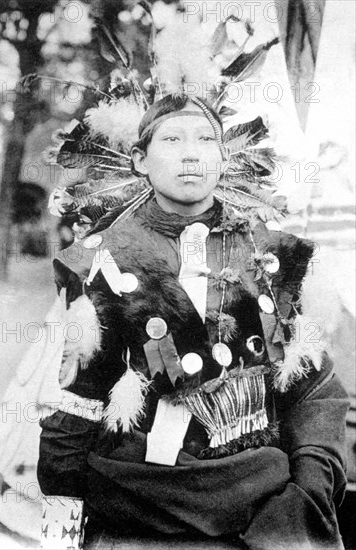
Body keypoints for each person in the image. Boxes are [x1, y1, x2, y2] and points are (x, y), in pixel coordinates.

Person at [37, 93, 349, 550]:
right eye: (172, 139)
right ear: (140, 160)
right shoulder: (102, 263)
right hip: (143, 509)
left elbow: (314, 389)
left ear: (223, 158)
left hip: (266, 506)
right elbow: (76, 409)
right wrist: (59, 531)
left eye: (206, 140)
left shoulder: (271, 255)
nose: (191, 153)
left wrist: (307, 494)